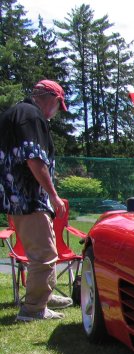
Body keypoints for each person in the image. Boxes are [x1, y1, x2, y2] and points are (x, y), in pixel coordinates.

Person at [0, 79, 71, 322]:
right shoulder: (31, 116)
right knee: (43, 253)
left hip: (19, 198)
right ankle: (33, 309)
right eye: (57, 106)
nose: (55, 114)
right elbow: (34, 159)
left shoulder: (17, 112)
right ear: (50, 98)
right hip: (28, 198)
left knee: (45, 247)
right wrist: (52, 194)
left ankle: (44, 295)